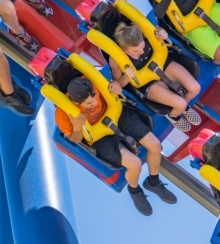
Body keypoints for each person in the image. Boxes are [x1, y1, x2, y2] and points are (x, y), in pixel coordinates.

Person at [55, 76, 176, 215]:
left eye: (94, 97)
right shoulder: (62, 114)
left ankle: (153, 182)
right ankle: (135, 190)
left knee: (155, 146)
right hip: (99, 138)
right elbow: (75, 140)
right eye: (89, 103)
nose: (94, 103)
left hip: (116, 116)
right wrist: (77, 128)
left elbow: (112, 84)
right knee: (135, 164)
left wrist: (115, 85)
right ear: (76, 102)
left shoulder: (90, 81)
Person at [106, 22, 201, 132]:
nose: (141, 52)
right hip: (146, 81)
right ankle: (174, 115)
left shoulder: (140, 30)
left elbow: (157, 30)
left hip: (162, 64)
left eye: (143, 47)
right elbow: (119, 84)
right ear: (124, 48)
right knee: (181, 104)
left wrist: (161, 33)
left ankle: (183, 107)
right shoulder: (115, 58)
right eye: (136, 51)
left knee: (195, 89)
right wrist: (127, 76)